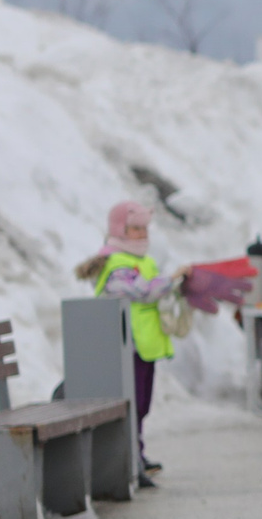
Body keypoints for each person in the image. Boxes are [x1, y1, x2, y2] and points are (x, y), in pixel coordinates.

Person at [75, 201, 186, 487]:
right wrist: (171, 280)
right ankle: (131, 460)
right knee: (133, 404)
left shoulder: (142, 261)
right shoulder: (115, 264)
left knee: (143, 403)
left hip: (145, 345)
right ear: (119, 230)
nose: (141, 234)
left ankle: (138, 453)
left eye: (144, 228)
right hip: (126, 347)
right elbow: (141, 292)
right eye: (135, 228)